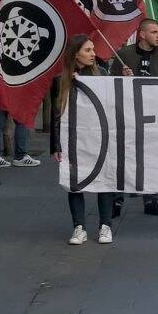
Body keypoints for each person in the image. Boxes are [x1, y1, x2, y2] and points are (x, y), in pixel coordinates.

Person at [51, 35, 115, 245]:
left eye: (93, 50)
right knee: (74, 182)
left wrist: (125, 80)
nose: (93, 54)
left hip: (100, 137)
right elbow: (56, 114)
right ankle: (79, 227)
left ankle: (105, 226)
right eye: (88, 50)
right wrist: (56, 145)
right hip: (74, 140)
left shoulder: (103, 75)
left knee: (104, 182)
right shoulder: (60, 81)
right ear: (75, 53)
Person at [111, 18, 158, 215]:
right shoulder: (125, 55)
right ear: (142, 34)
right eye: (155, 32)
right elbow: (110, 85)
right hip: (128, 115)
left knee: (153, 158)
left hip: (155, 117)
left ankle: (151, 199)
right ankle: (116, 200)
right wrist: (122, 78)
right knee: (123, 157)